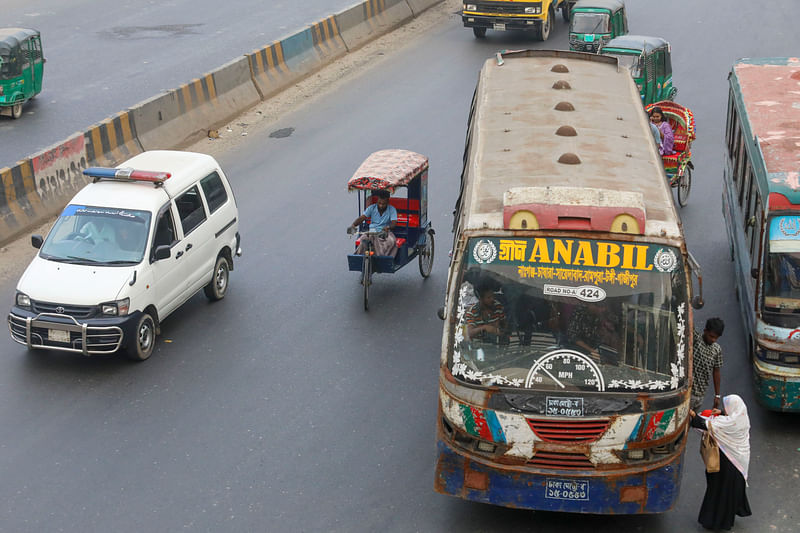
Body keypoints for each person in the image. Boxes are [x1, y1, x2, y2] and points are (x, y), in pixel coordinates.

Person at [689, 394, 752, 531]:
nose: (724, 409)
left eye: (726, 407)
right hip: (739, 460)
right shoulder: (741, 418)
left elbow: (706, 424)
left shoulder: (728, 423)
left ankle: (716, 522)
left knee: (719, 490)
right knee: (730, 490)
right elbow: (727, 419)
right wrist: (722, 413)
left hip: (728, 461)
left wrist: (693, 414)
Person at [347, 189, 398, 257]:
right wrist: (353, 225)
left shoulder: (392, 209)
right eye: (379, 203)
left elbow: (394, 223)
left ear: (388, 202)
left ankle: (384, 258)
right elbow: (362, 218)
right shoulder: (372, 208)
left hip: (384, 232)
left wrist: (388, 227)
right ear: (377, 201)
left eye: (383, 204)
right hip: (372, 231)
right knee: (363, 239)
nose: (381, 206)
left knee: (391, 241)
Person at [691, 317, 725, 411]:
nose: (713, 340)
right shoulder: (696, 340)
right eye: (711, 336)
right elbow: (690, 325)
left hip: (701, 395)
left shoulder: (717, 350)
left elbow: (716, 371)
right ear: (705, 331)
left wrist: (717, 395)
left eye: (716, 338)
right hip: (689, 393)